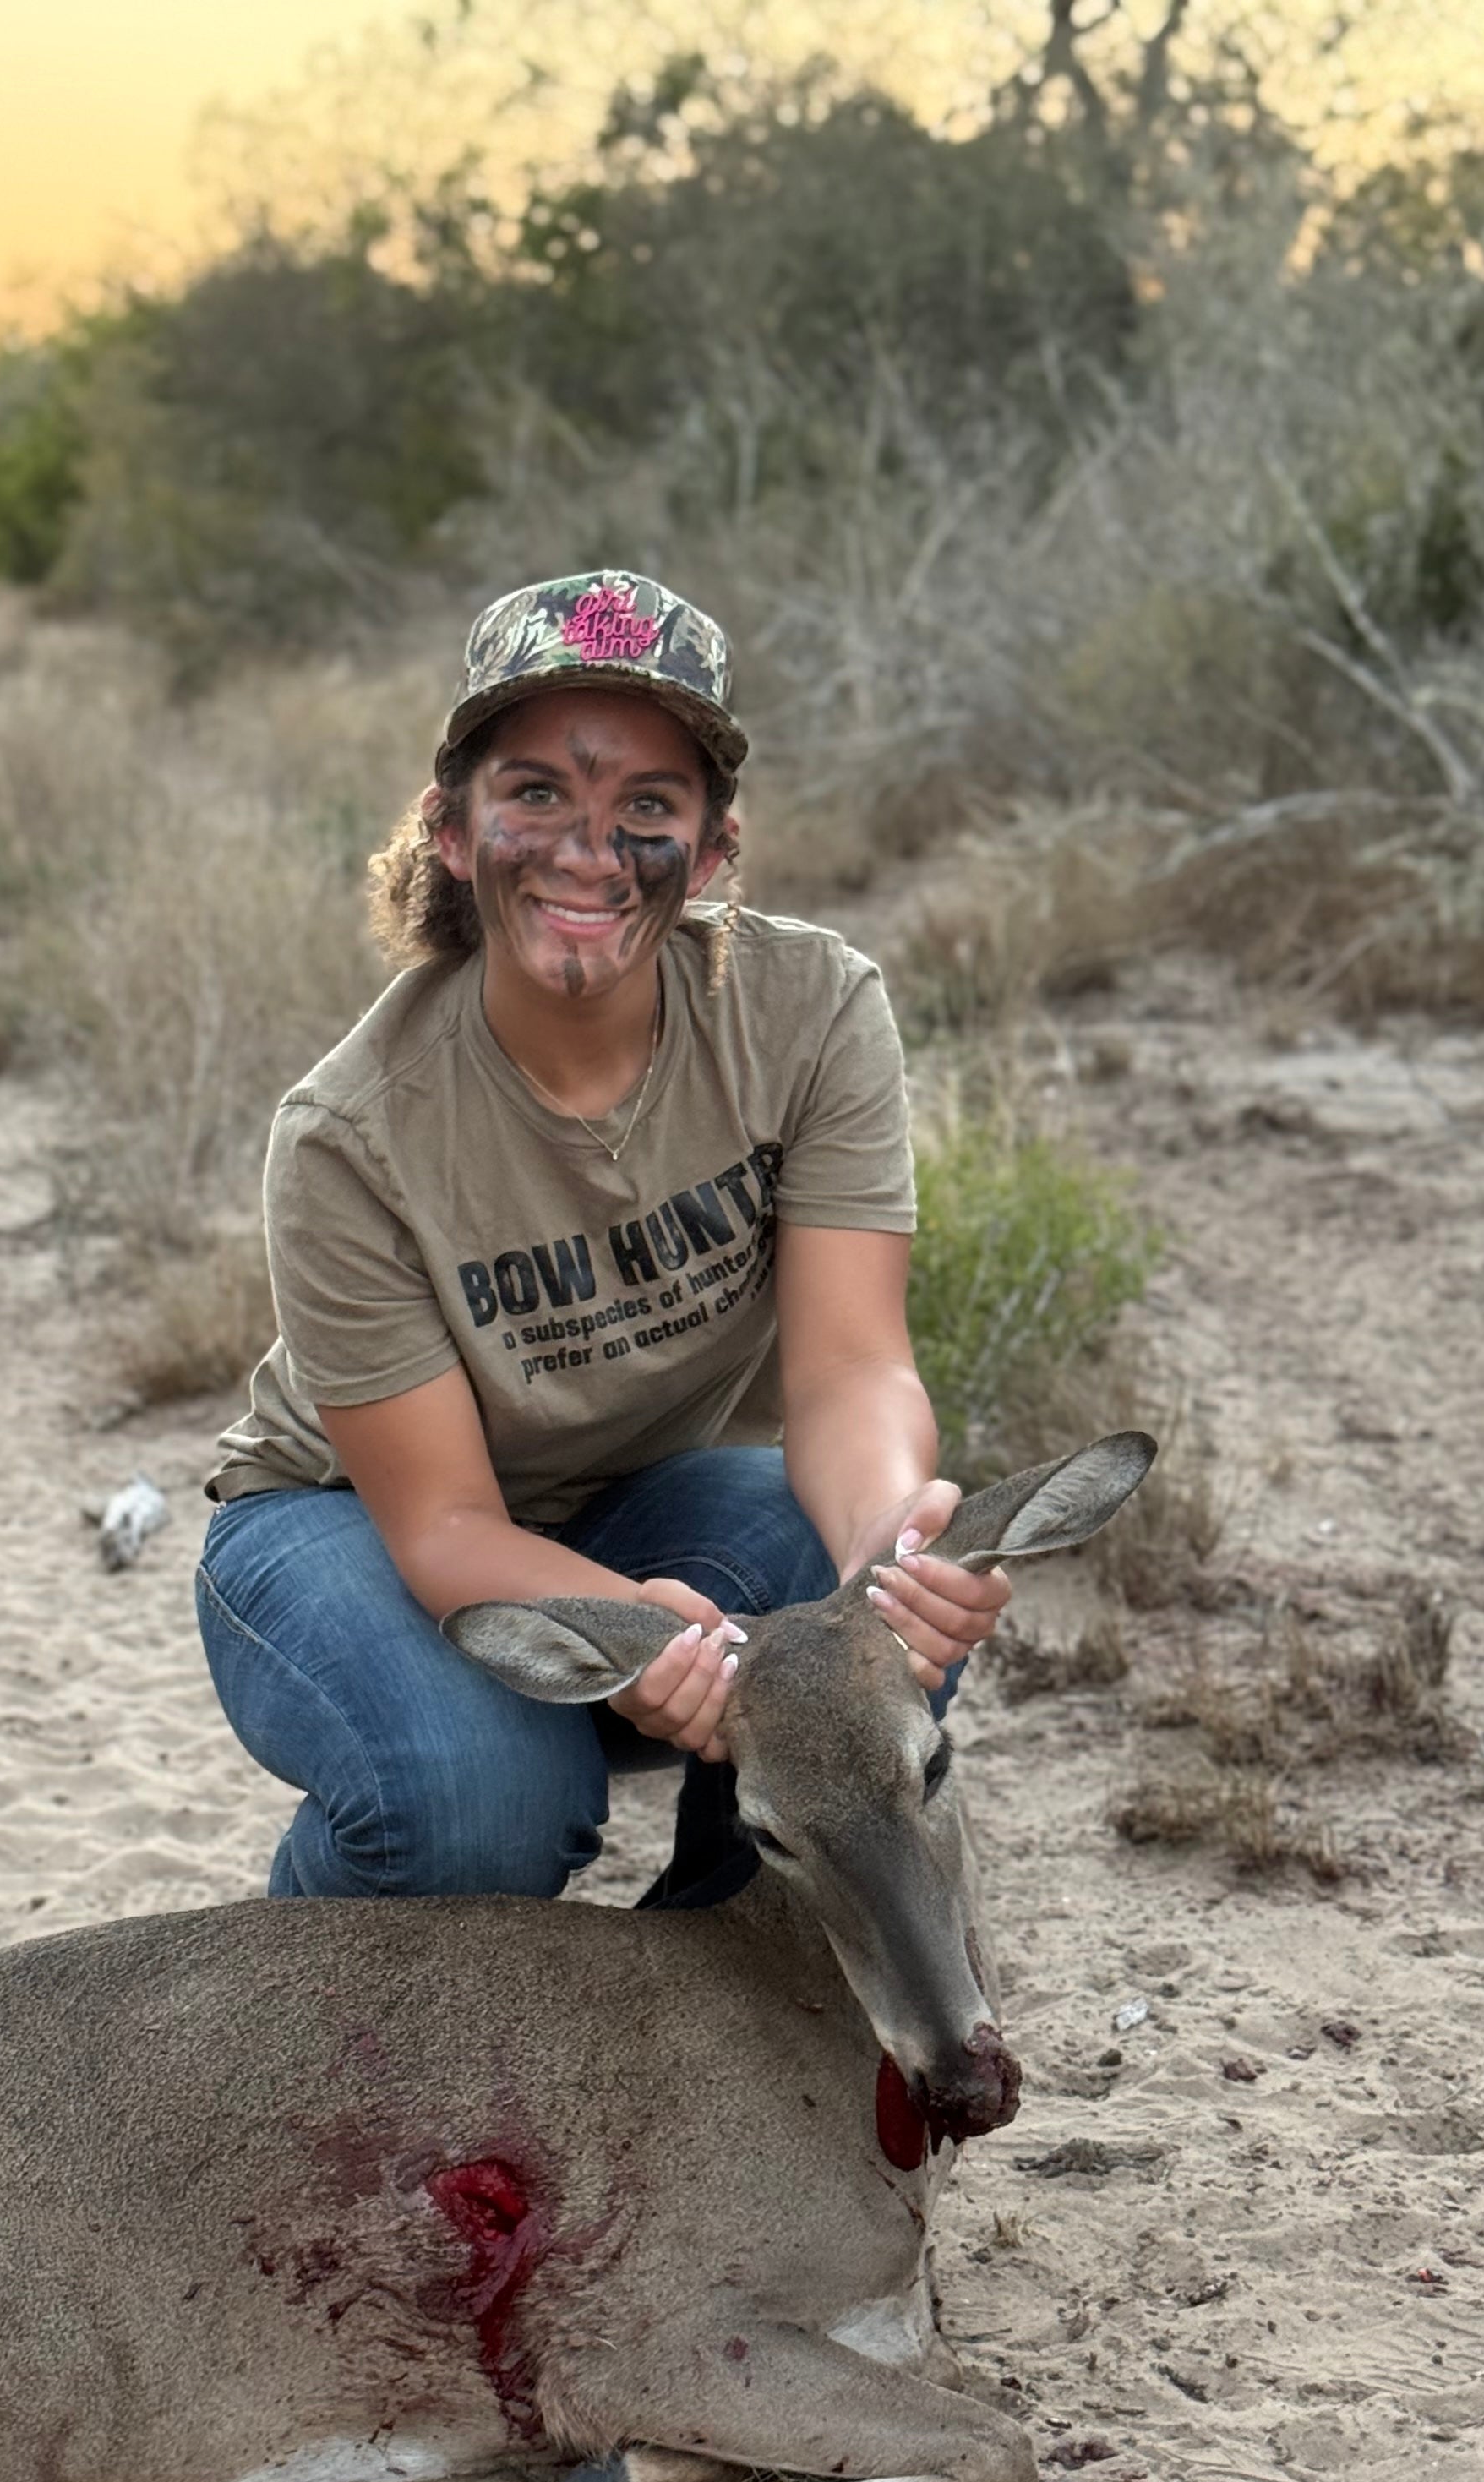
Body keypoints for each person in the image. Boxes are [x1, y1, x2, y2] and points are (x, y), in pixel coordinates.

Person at [197, 565, 1010, 1909]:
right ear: (453, 831)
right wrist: (634, 1632)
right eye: (535, 795)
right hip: (347, 1528)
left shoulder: (811, 1011)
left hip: (643, 1500)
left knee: (865, 1616)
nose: (589, 850)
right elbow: (448, 1522)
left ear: (713, 853)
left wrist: (892, 1546)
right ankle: (286, 1990)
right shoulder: (350, 1133)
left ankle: (719, 1970)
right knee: (482, 1804)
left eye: (647, 809)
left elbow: (849, 1370)